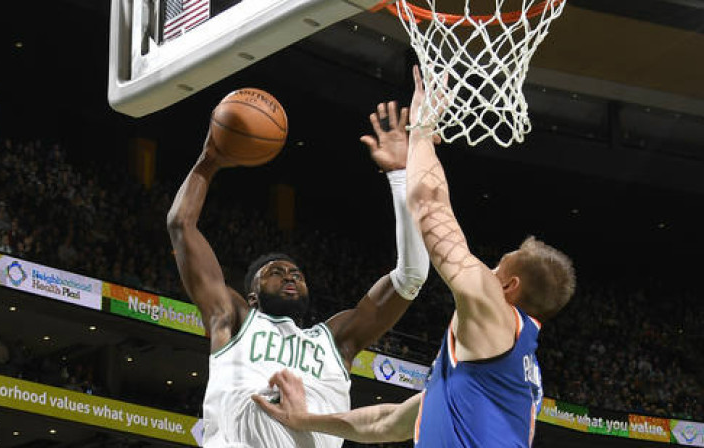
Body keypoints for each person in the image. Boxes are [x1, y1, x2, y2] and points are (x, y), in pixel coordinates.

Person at [252, 66, 576, 447]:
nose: (484, 271)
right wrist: (305, 419)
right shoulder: (497, 370)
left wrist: (423, 130)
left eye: (495, 267)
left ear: (508, 286)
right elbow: (385, 423)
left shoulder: (497, 315)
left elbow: (430, 205)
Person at [166, 99, 430, 448]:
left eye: (297, 273)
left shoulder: (337, 339)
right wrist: (208, 162)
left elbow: (411, 275)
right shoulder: (232, 319)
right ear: (252, 296)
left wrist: (400, 176)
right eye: (276, 272)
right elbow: (181, 225)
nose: (291, 276)